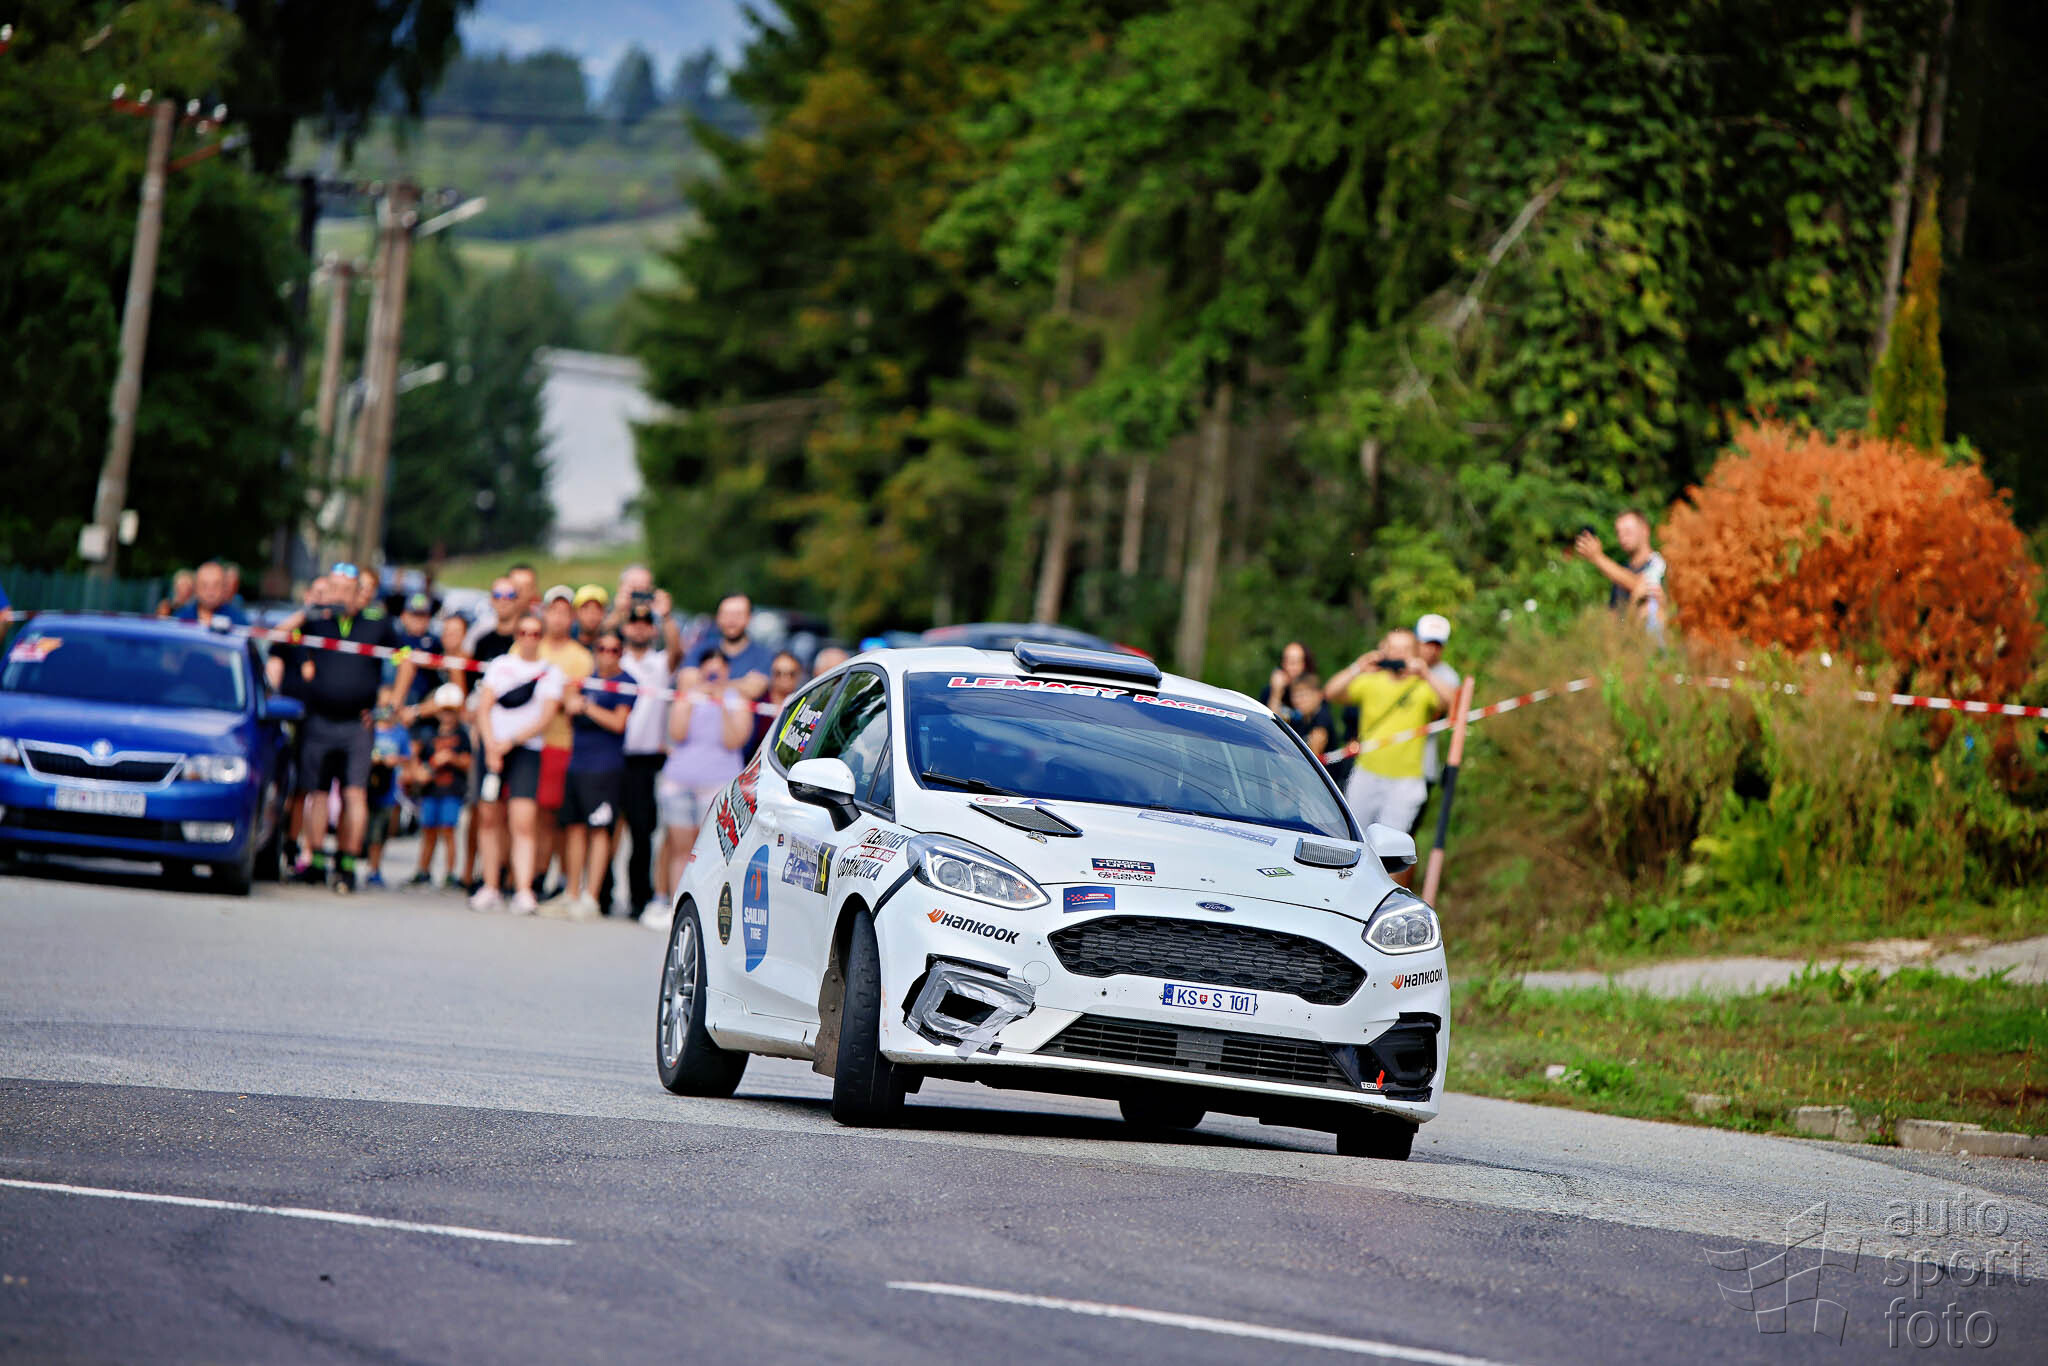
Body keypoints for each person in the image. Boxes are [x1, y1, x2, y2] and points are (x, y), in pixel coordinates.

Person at [285, 563, 414, 892]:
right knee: (316, 793)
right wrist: (307, 610)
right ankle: (315, 861)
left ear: (359, 592)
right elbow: (280, 636)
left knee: (354, 793)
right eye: (334, 588)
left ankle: (346, 862)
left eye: (346, 589)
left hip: (358, 723)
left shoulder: (377, 623)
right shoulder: (317, 620)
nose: (339, 595)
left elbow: (406, 659)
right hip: (319, 719)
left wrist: (391, 706)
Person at [1324, 629, 1444, 873]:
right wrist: (1358, 667)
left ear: (1415, 654)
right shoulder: (1371, 681)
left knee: (1390, 855)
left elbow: (1451, 703)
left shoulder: (1422, 686)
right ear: (1384, 651)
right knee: (1351, 842)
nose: (1398, 654)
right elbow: (1331, 692)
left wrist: (1426, 673)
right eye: (1393, 648)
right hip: (1367, 775)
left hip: (1406, 782)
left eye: (1405, 649)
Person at [472, 613, 564, 914]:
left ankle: (524, 889)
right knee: (488, 817)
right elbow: (484, 707)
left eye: (535, 633)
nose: (529, 638)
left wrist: (510, 742)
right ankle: (490, 885)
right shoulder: (501, 665)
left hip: (526, 750)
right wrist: (491, 746)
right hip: (493, 749)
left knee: (522, 819)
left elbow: (546, 717)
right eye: (523, 632)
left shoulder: (550, 672)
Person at [654, 652, 752, 925]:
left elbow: (735, 740)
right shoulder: (689, 696)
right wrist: (692, 696)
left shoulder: (737, 700)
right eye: (709, 672)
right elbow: (677, 732)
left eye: (718, 673)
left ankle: (705, 912)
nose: (713, 677)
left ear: (727, 673)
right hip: (680, 781)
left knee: (710, 853)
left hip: (716, 785)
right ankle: (676, 907)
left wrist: (721, 703)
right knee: (680, 849)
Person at [557, 631, 634, 919]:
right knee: (574, 828)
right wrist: (571, 702)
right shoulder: (586, 680)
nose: (607, 654)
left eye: (613, 650)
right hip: (578, 762)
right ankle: (572, 892)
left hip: (605, 767)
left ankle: (591, 896)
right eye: (602, 648)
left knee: (600, 829)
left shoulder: (626, 682)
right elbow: (569, 714)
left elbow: (618, 723)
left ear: (621, 654)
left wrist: (587, 706)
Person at [611, 601, 678, 921]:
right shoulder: (615, 658)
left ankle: (639, 898)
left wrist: (666, 615)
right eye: (633, 622)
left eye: (645, 623)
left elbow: (677, 650)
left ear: (652, 629)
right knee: (607, 827)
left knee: (641, 832)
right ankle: (602, 894)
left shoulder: (660, 663)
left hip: (645, 758)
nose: (639, 628)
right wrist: (619, 606)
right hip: (614, 753)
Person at [533, 586, 594, 895]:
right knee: (527, 813)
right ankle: (526, 872)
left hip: (561, 743)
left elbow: (573, 701)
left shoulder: (581, 657)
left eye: (564, 612)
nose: (557, 618)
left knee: (553, 815)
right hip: (527, 741)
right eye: (553, 611)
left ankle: (549, 874)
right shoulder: (529, 645)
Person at [409, 684, 472, 888]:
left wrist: (451, 758)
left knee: (448, 831)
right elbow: (419, 762)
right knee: (428, 831)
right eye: (444, 711)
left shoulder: (462, 735)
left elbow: (468, 761)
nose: (447, 715)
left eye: (451, 711)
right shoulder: (430, 735)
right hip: (431, 791)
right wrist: (423, 770)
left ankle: (450, 873)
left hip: (451, 791)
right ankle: (423, 870)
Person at [1576, 510, 1668, 639]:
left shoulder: (1658, 563)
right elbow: (1614, 619)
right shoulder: (1621, 572)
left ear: (1645, 530)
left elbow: (1639, 585)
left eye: (1628, 531)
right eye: (1618, 532)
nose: (1622, 537)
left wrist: (1597, 558)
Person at [1414, 613, 1463, 816]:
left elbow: (1453, 707)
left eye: (1438, 645)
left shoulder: (1449, 677)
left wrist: (1425, 673)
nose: (1433, 650)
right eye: (1428, 643)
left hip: (1422, 767)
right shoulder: (1400, 666)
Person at [693, 593, 774, 700]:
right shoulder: (700, 648)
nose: (731, 620)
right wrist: (739, 685)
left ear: (749, 618)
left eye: (738, 615)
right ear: (717, 617)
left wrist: (706, 685)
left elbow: (753, 689)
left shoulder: (763, 655)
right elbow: (686, 682)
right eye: (726, 614)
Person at [363, 710, 412, 888]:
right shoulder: (369, 729)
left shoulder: (400, 733)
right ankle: (354, 865)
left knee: (380, 832)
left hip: (388, 788)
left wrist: (395, 760)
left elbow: (408, 758)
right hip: (366, 785)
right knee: (365, 828)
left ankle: (374, 869)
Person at [750, 650, 805, 759]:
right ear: (771, 674)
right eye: (778, 673)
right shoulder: (757, 702)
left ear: (799, 675)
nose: (784, 679)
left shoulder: (805, 705)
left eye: (791, 674)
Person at [172, 561, 250, 629]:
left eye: (216, 585)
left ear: (224, 587)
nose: (210, 592)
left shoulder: (238, 622)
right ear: (196, 588)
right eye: (204, 585)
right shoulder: (179, 618)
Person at [1277, 672, 1334, 757]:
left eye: (1302, 695)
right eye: (1294, 696)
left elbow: (1315, 756)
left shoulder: (1322, 719)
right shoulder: (1301, 718)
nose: (1297, 701)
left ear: (1318, 695)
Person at [1266, 640, 1316, 716]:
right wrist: (1276, 694)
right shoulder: (1270, 691)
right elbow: (1267, 721)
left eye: (1293, 662)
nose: (1287, 667)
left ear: (1304, 665)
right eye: (1285, 661)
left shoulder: (1314, 693)